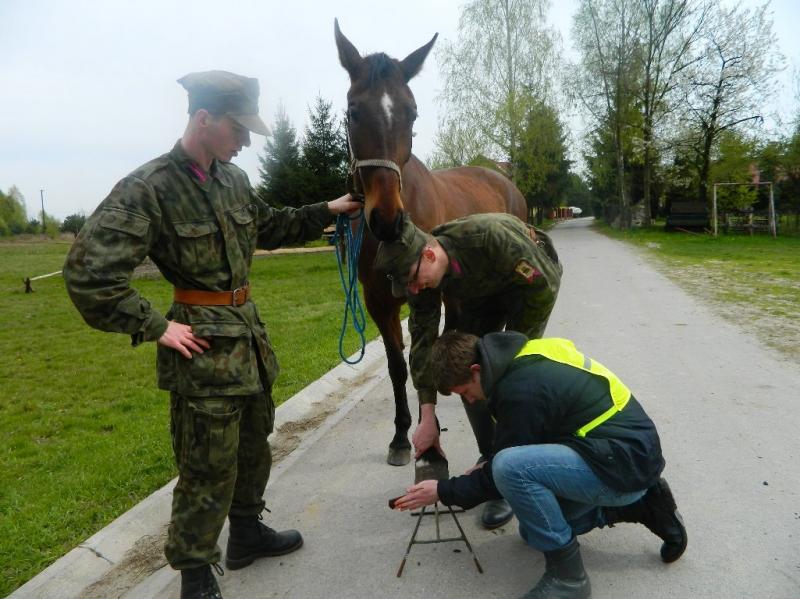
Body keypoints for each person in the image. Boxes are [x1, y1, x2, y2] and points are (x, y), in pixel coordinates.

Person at [62, 70, 360, 599]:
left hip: (247, 343)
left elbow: (269, 226)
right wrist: (156, 326)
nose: (245, 141)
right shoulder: (149, 188)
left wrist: (329, 210)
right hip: (201, 353)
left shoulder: (234, 180)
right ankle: (195, 576)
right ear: (204, 119)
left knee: (253, 446)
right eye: (238, 129)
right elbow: (89, 274)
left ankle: (245, 533)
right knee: (206, 466)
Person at [393, 330, 688, 599]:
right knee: (536, 530)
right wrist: (486, 466)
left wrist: (442, 491)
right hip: (627, 454)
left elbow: (505, 470)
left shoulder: (520, 390)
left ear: (476, 370)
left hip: (624, 463)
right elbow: (529, 434)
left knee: (509, 469)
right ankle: (643, 505)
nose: (469, 401)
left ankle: (569, 580)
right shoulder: (520, 357)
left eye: (465, 392)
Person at [373, 212, 562, 529]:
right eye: (407, 285)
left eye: (414, 280)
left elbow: (543, 287)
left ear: (429, 255)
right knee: (463, 372)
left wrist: (508, 357)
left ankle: (511, 472)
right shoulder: (419, 279)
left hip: (531, 285)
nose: (414, 289)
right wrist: (427, 416)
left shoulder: (488, 238)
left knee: (508, 378)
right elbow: (422, 340)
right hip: (481, 294)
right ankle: (491, 457)